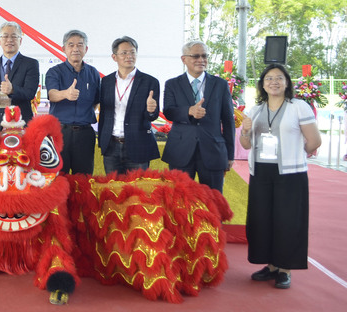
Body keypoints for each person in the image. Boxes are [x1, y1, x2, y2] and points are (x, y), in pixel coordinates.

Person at [240, 63, 321, 289]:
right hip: (261, 172)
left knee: (287, 221)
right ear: (262, 84)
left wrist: (295, 153)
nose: (273, 82)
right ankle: (271, 266)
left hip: (290, 173)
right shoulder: (255, 110)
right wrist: (245, 131)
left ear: (287, 82)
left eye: (279, 78)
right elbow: (245, 145)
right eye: (269, 78)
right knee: (262, 219)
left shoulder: (298, 107)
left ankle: (284, 268)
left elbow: (314, 141)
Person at [162, 40, 235, 194]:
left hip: (213, 151)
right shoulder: (172, 84)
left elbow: (228, 121)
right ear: (184, 59)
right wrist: (189, 111)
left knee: (214, 202)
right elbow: (168, 112)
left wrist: (230, 154)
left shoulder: (220, 84)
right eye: (196, 56)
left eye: (204, 56)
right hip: (180, 151)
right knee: (180, 201)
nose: (201, 60)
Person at [97, 36, 161, 175]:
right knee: (113, 191)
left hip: (138, 145)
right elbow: (103, 114)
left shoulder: (150, 81)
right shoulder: (106, 82)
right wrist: (103, 142)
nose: (129, 56)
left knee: (137, 192)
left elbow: (152, 116)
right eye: (124, 53)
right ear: (114, 57)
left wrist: (151, 110)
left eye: (132, 52)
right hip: (111, 145)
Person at [45, 30, 101, 175]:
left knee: (84, 179)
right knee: (58, 178)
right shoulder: (54, 72)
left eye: (80, 45)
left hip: (85, 134)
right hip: (60, 133)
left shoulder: (93, 73)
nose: (75, 49)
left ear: (86, 49)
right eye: (71, 45)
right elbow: (52, 95)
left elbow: (95, 102)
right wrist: (66, 94)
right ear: (63, 49)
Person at [0, 21, 40, 127]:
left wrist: (13, 90)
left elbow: (30, 92)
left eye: (14, 36)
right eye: (5, 36)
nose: (9, 40)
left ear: (20, 41)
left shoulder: (30, 64)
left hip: (20, 121)